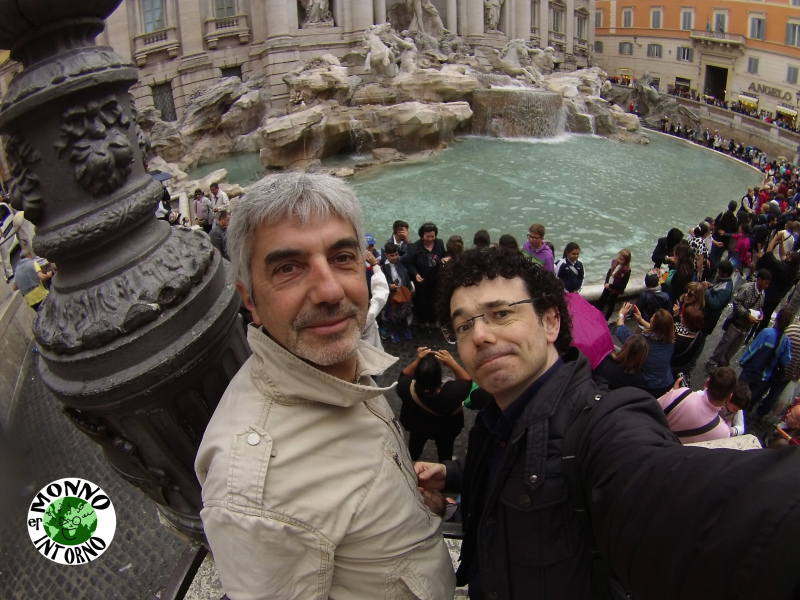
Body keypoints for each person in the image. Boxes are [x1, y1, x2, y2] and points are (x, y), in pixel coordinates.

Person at [415, 247, 800, 599]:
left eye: (501, 313)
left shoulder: (604, 425)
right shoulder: (498, 412)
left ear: (550, 322)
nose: (479, 335)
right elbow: (504, 461)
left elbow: (689, 502)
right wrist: (450, 474)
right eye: (463, 326)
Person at [195, 172, 455, 600]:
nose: (331, 290)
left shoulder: (338, 360)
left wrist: (406, 505)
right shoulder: (257, 491)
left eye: (342, 257)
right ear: (249, 300)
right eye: (288, 268)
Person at [397, 346, 471, 461]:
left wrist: (417, 360)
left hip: (417, 425)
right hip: (446, 430)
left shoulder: (404, 387)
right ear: (439, 376)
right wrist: (452, 363)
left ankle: (411, 461)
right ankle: (444, 468)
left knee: (415, 445)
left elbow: (404, 375)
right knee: (445, 451)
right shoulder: (454, 393)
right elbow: (466, 380)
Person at [706, 269, 771, 371]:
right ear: (759, 279)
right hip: (736, 323)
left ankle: (723, 363)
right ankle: (712, 362)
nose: (767, 285)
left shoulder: (762, 294)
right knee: (725, 344)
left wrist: (760, 315)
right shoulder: (747, 288)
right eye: (766, 282)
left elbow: (759, 308)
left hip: (746, 327)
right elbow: (736, 303)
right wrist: (746, 315)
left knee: (734, 348)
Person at [657, 367, 737, 444]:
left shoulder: (681, 394)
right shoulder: (723, 433)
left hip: (654, 442)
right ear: (729, 397)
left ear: (707, 383)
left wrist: (672, 392)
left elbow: (653, 409)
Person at [739, 306, 793, 418]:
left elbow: (753, 349)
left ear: (776, 319)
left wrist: (742, 361)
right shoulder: (786, 341)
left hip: (750, 371)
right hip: (764, 377)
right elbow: (786, 360)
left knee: (737, 393)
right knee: (748, 399)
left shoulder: (767, 333)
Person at [617, 304, 675, 396]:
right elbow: (659, 330)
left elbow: (621, 332)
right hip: (666, 382)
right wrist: (641, 320)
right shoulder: (670, 339)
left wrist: (621, 315)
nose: (651, 318)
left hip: (649, 385)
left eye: (653, 317)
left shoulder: (643, 343)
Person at [403, 222, 446, 330]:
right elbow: (409, 263)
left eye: (432, 236)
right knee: (421, 301)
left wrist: (445, 259)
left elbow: (444, 255)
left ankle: (433, 319)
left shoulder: (439, 243)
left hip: (436, 279)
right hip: (421, 281)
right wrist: (415, 273)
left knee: (435, 300)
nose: (430, 239)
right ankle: (422, 320)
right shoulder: (415, 247)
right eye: (428, 236)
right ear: (422, 236)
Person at [381, 241, 414, 343]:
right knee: (392, 315)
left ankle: (405, 328)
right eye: (392, 255)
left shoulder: (400, 262)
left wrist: (408, 241)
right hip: (392, 295)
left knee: (404, 312)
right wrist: (389, 286)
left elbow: (410, 255)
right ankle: (394, 331)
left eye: (396, 254)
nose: (395, 257)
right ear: (386, 255)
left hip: (403, 292)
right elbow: (381, 281)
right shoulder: (383, 268)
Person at [593, 248, 632, 320]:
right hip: (608, 286)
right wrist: (606, 282)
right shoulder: (614, 263)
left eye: (621, 259)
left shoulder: (627, 271)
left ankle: (606, 318)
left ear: (626, 261)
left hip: (615, 289)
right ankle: (597, 314)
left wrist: (611, 286)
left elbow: (623, 285)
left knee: (611, 303)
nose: (619, 260)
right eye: (618, 258)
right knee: (601, 300)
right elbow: (609, 272)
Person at [701, 259, 734, 335]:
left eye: (720, 272)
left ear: (725, 274)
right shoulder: (723, 280)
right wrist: (710, 286)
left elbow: (714, 304)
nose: (718, 273)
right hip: (706, 312)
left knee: (701, 336)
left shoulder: (726, 290)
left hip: (709, 318)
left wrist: (706, 290)